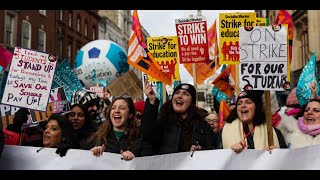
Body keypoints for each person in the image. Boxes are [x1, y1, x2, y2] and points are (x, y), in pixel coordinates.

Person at [142, 82, 218, 156]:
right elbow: (147, 135)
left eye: (185, 94)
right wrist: (151, 101)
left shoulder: (203, 126)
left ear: (192, 102)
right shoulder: (163, 122)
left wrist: (202, 150)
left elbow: (213, 150)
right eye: (177, 93)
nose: (179, 96)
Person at [85, 96, 151, 160]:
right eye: (113, 108)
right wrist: (90, 154)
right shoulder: (97, 138)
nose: (116, 111)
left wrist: (135, 159)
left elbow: (148, 164)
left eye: (122, 108)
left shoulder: (140, 138)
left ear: (130, 114)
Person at [222, 90, 287, 154]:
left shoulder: (273, 132)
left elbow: (285, 159)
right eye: (239, 103)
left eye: (248, 102)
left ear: (256, 106)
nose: (243, 105)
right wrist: (230, 151)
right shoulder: (224, 131)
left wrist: (278, 153)